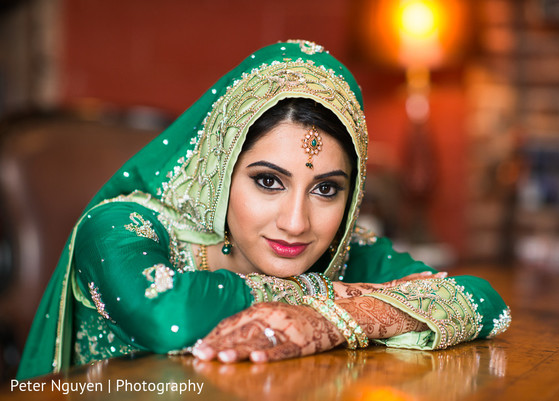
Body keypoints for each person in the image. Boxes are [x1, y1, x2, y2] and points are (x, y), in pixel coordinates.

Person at [17, 40, 511, 380]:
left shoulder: (340, 250)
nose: (296, 223)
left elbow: (484, 302)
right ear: (220, 170)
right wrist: (336, 297)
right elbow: (166, 315)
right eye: (268, 181)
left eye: (326, 190)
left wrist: (334, 319)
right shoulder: (118, 227)